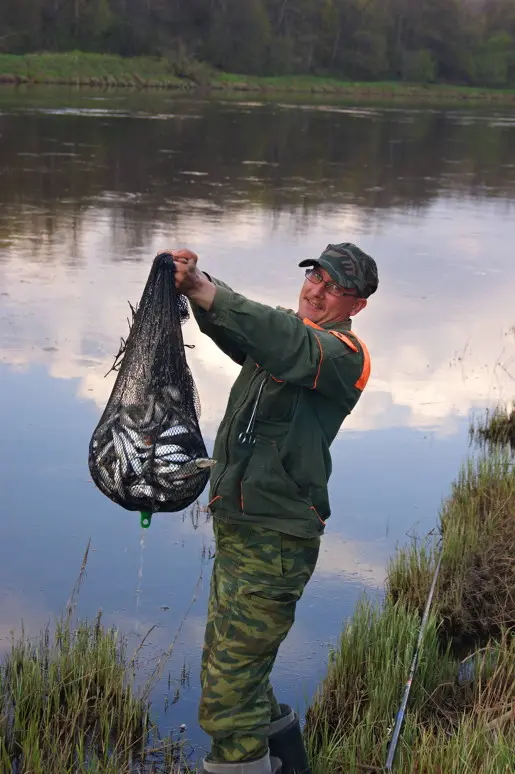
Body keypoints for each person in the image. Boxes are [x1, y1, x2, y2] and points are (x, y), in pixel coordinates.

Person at [167, 243, 379, 774]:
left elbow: (283, 340)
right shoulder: (281, 336)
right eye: (315, 277)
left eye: (334, 288)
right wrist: (195, 281)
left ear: (357, 306)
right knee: (236, 673)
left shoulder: (342, 357)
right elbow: (241, 329)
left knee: (226, 706)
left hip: (276, 543)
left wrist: (203, 290)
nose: (317, 290)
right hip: (241, 528)